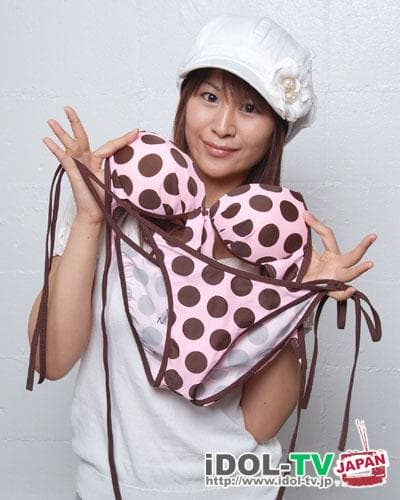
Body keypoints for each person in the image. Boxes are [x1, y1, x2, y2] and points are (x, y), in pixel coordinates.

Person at [27, 14, 377, 500]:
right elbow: (49, 359)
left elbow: (257, 425)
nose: (223, 127)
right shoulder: (112, 198)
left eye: (250, 108)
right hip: (111, 488)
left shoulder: (277, 240)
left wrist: (297, 299)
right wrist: (90, 217)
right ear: (185, 101)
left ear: (277, 128)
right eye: (209, 97)